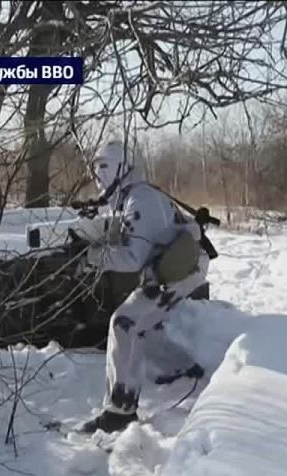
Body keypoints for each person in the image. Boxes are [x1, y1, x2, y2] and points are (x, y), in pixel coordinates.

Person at [76, 138, 210, 434]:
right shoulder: (133, 197)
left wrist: (91, 258)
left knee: (124, 323)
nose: (98, 174)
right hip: (177, 267)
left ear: (124, 168)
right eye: (96, 167)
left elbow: (133, 258)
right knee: (145, 323)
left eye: (104, 166)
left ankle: (119, 411)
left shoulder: (140, 200)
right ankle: (181, 371)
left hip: (177, 272)